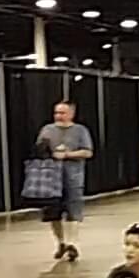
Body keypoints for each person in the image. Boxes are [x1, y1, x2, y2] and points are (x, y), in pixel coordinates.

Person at [37, 100, 95, 261]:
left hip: (73, 177)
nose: (58, 116)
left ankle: (72, 243)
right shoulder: (47, 130)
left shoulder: (80, 130)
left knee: (73, 211)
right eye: (56, 113)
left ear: (71, 113)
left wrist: (68, 155)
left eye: (62, 113)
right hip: (51, 178)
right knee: (52, 213)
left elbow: (88, 152)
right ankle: (61, 242)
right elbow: (39, 150)